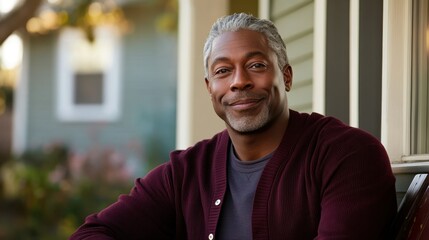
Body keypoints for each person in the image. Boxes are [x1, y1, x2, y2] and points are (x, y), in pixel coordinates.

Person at [70, 13, 397, 240]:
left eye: (256, 66)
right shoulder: (187, 172)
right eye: (223, 71)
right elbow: (93, 234)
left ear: (285, 76)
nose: (239, 82)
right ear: (209, 87)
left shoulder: (346, 156)